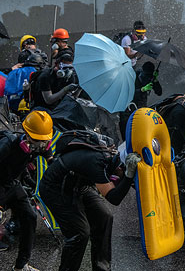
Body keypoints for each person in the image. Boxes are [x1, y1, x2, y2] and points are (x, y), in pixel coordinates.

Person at [39, 131, 140, 271]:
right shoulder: (97, 162)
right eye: (123, 172)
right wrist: (128, 176)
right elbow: (114, 198)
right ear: (120, 167)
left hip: (79, 185)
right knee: (79, 234)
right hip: (55, 189)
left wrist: (128, 176)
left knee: (104, 217)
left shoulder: (111, 155)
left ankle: (102, 268)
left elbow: (117, 184)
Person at [0, 110, 54, 271]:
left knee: (29, 216)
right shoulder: (7, 145)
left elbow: (52, 162)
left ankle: (21, 266)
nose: (41, 145)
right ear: (27, 135)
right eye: (38, 140)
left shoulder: (40, 145)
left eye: (44, 140)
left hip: (13, 184)